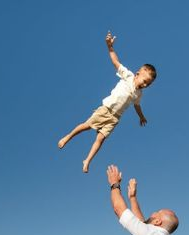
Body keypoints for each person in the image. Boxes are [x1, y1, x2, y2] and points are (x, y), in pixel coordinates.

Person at [58, 32, 156, 173]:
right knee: (86, 126)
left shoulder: (138, 93)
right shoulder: (127, 76)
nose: (145, 85)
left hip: (115, 118)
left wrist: (141, 116)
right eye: (145, 81)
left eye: (148, 84)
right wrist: (110, 47)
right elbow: (116, 62)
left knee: (100, 139)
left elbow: (137, 105)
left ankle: (87, 160)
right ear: (138, 74)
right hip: (106, 109)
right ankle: (68, 137)